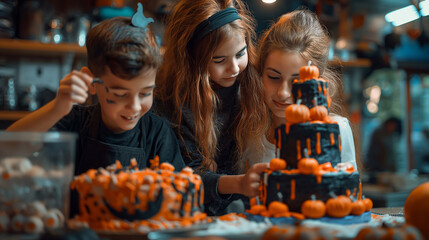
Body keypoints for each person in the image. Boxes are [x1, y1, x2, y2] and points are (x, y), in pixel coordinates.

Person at [6, 8, 185, 175]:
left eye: (145, 93)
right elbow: (7, 150)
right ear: (92, 81)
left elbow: (178, 191)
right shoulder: (75, 122)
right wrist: (57, 109)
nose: (134, 107)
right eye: (120, 94)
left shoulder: (157, 133)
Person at [153, 0, 270, 215]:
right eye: (219, 60)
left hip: (245, 213)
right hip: (190, 213)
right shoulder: (172, 101)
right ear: (191, 59)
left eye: (240, 54)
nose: (234, 68)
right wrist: (237, 183)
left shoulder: (252, 84)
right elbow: (185, 177)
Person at [242, 9, 358, 170]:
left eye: (297, 82)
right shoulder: (249, 135)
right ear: (260, 74)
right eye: (274, 78)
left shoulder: (336, 131)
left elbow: (349, 192)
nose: (283, 93)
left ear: (316, 82)